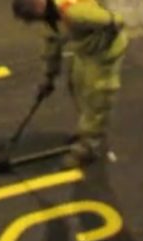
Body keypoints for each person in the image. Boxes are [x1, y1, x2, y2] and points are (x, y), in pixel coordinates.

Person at [12, 0, 128, 167]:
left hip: (103, 55)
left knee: (97, 99)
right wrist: (49, 76)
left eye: (32, 18)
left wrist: (100, 41)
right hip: (85, 52)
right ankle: (87, 130)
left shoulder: (75, 14)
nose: (34, 22)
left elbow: (116, 21)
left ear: (38, 6)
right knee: (76, 86)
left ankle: (89, 147)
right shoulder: (50, 16)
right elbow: (52, 43)